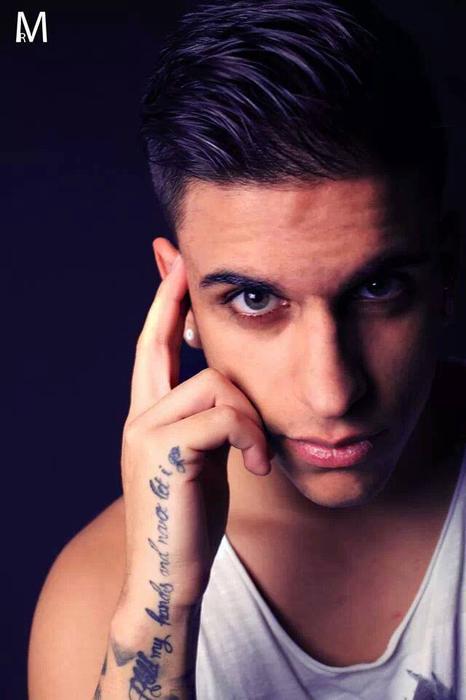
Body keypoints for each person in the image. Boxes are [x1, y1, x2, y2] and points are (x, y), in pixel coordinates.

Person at [28, 0, 465, 698]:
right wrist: (163, 606)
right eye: (256, 299)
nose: (333, 391)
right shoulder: (97, 597)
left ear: (446, 272)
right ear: (180, 300)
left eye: (378, 287)